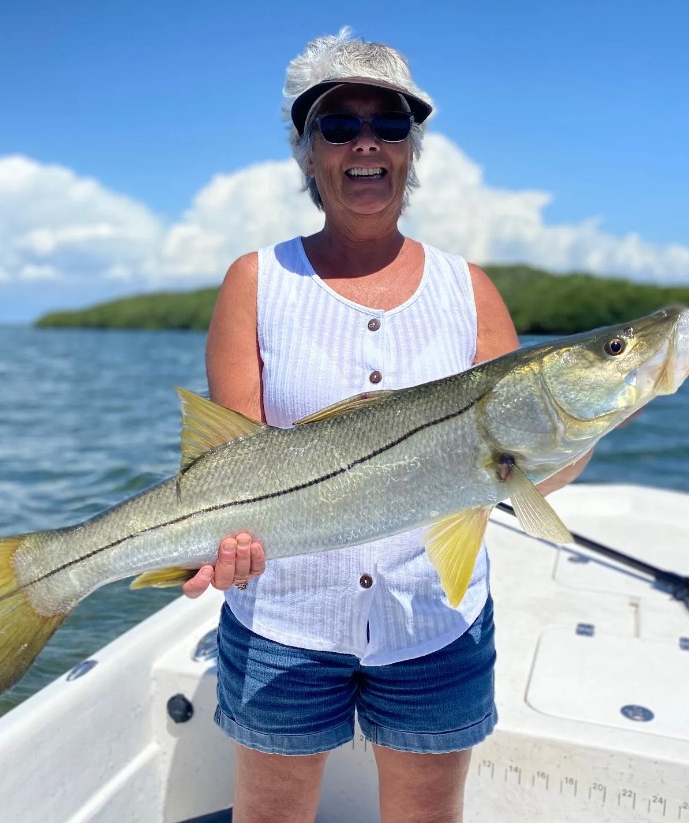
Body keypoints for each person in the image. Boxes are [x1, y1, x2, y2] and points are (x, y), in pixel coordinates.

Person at [182, 29, 589, 823]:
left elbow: (526, 476)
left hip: (436, 619)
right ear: (307, 152)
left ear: (412, 148)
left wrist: (603, 411)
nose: (365, 141)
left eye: (389, 123)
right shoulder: (255, 280)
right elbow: (232, 463)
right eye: (337, 124)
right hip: (284, 618)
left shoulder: (470, 289)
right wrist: (220, 546)